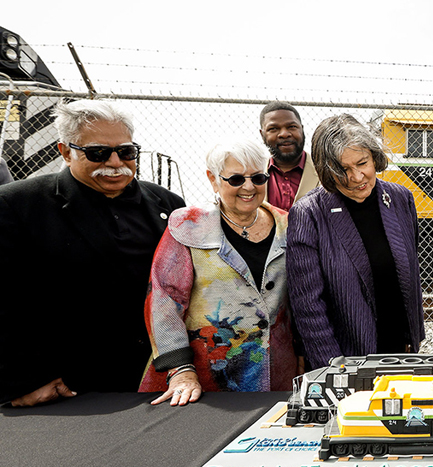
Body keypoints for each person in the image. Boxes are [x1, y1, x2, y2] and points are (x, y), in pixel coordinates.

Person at [0, 100, 184, 406]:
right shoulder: (17, 206)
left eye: (126, 151)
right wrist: (22, 381)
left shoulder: (169, 205)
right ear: (65, 151)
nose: (115, 162)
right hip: (67, 391)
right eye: (98, 153)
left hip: (159, 383)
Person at [139, 138, 297, 405]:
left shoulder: (289, 224)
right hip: (204, 381)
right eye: (235, 179)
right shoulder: (187, 226)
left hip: (277, 377)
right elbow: (164, 301)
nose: (248, 187)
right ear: (213, 179)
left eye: (258, 178)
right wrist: (180, 371)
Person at [287, 114, 424, 369]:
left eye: (362, 163)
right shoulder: (308, 214)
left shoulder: (400, 198)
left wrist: (411, 340)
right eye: (342, 169)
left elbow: (409, 275)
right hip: (347, 360)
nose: (357, 177)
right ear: (326, 171)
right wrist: (336, 370)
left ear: (374, 157)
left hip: (400, 353)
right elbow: (308, 307)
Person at [259, 101, 320, 210]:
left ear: (302, 129)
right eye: (273, 128)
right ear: (262, 134)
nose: (284, 134)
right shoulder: (252, 175)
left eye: (291, 126)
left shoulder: (325, 173)